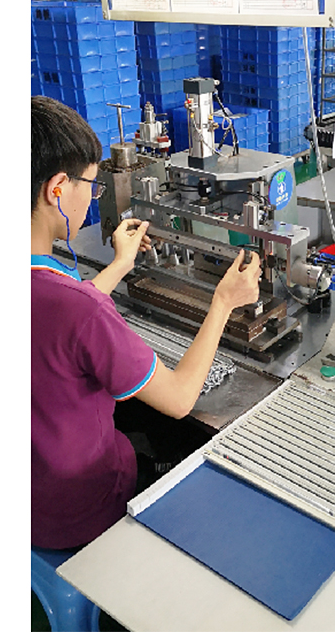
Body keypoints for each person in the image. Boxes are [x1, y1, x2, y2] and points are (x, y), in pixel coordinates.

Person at [31, 96, 262, 550]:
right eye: (92, 185)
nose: (92, 197)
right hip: (82, 509)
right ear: (57, 188)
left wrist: (120, 264)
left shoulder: (56, 296)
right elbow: (178, 398)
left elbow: (58, 314)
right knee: (174, 442)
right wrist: (223, 302)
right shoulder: (81, 311)